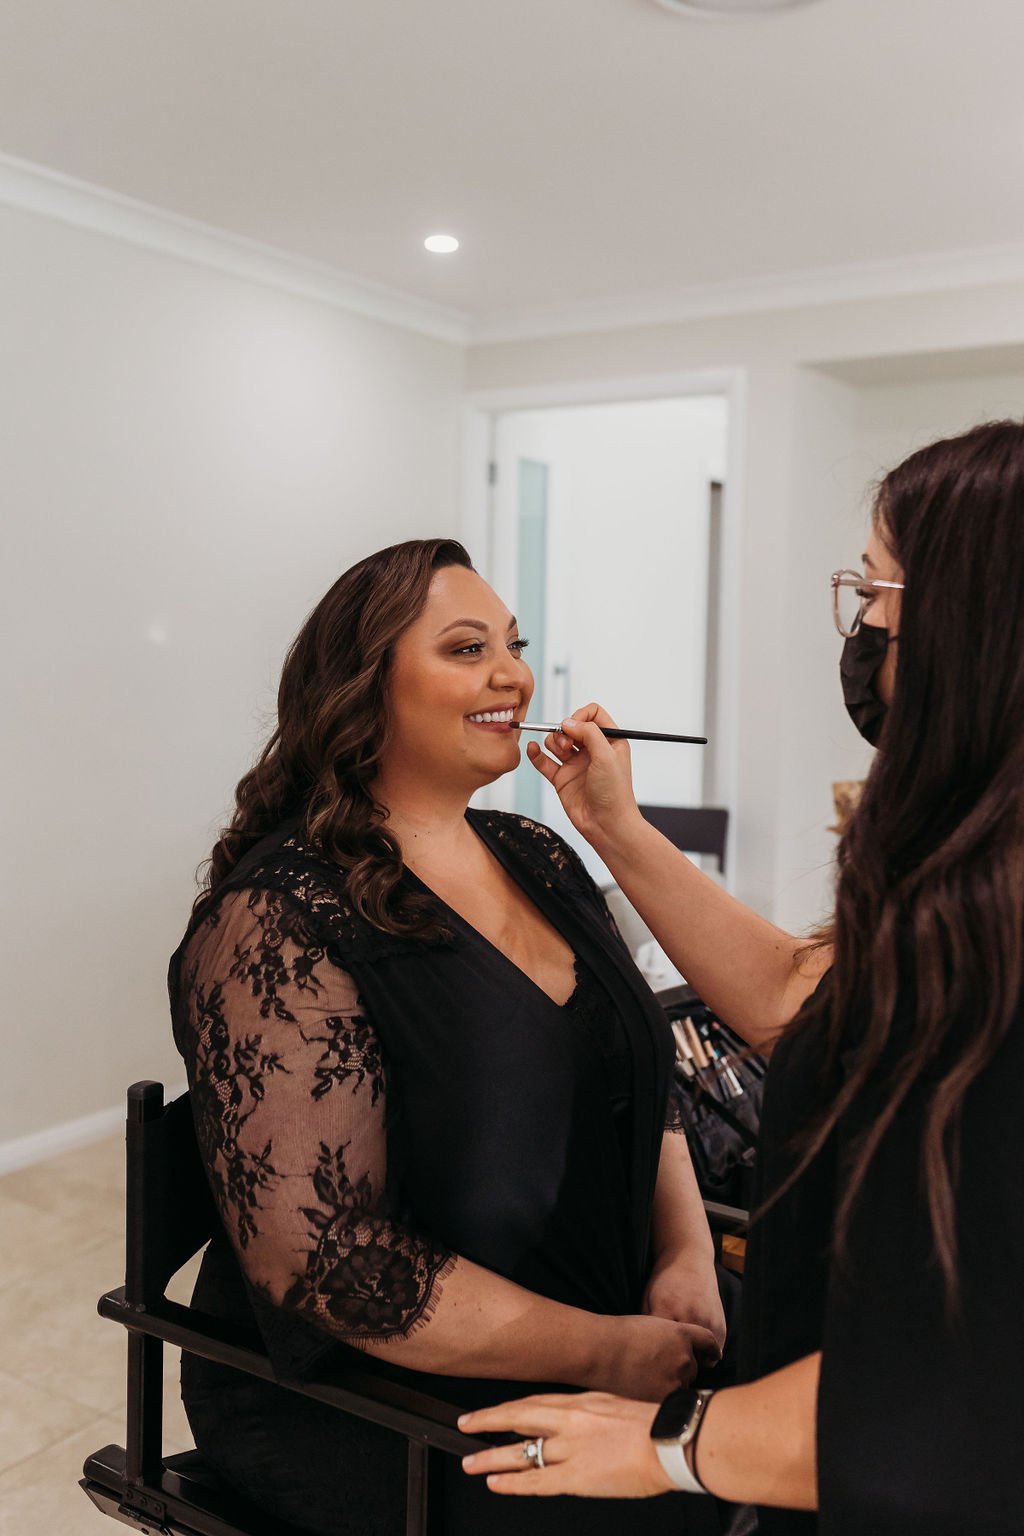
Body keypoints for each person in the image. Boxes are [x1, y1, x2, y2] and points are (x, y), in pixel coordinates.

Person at [460, 420, 1024, 1535]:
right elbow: (799, 1005)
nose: (862, 624)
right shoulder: (969, 878)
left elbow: (961, 1393)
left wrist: (672, 1444)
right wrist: (617, 826)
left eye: (876, 590)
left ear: (971, 622)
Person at [169, 538, 732, 1536]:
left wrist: (686, 1261)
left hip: (612, 1320)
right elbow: (333, 1264)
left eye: (515, 646)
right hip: (387, 1399)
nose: (513, 675)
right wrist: (609, 1353)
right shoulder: (276, 922)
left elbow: (636, 1088)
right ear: (363, 691)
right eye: (469, 650)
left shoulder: (540, 852)